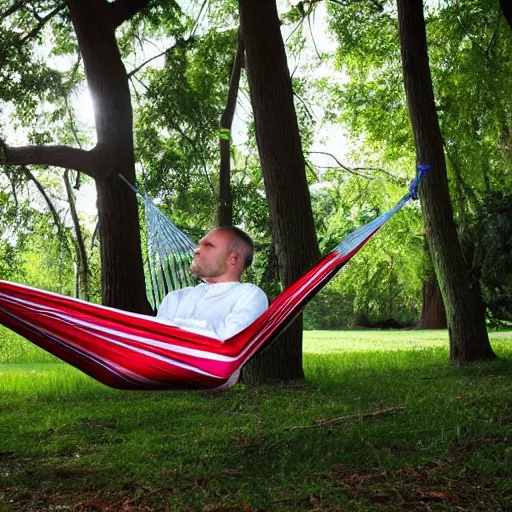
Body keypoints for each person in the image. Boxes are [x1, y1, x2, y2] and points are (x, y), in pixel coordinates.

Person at [157, 226, 268, 341]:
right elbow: (155, 341)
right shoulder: (175, 297)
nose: (197, 250)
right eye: (199, 244)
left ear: (234, 259)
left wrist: (172, 328)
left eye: (208, 245)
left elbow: (230, 339)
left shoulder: (250, 295)